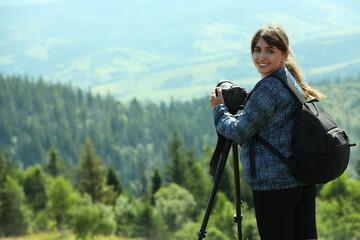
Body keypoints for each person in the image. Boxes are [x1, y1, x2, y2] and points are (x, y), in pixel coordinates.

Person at [209, 23, 325, 240]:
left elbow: (238, 132)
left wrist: (219, 110)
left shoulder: (269, 87)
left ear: (284, 54)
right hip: (301, 180)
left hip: (275, 186)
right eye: (257, 50)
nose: (261, 57)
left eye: (269, 51)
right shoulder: (290, 80)